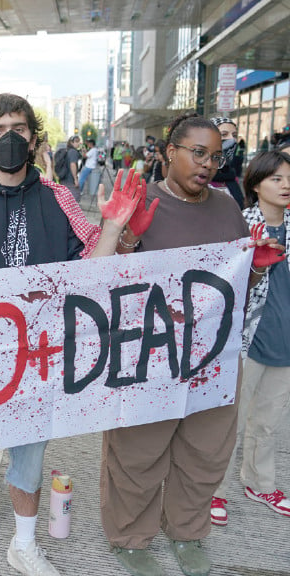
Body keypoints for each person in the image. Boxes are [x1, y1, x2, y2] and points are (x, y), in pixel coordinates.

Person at [0, 93, 147, 576]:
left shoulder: (58, 199)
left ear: (34, 138)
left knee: (29, 458)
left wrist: (112, 229)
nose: (9, 139)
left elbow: (89, 276)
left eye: (19, 129)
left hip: (36, 356)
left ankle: (23, 545)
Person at [103, 113, 285, 576]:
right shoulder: (140, 200)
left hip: (213, 356)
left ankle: (187, 531)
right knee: (138, 454)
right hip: (150, 357)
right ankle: (130, 537)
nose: (207, 164)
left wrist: (258, 267)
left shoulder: (226, 208)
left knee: (204, 452)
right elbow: (102, 282)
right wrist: (126, 237)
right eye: (197, 153)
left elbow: (234, 289)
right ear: (169, 153)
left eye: (216, 155)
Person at [210, 150, 290, 526]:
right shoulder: (242, 224)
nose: (286, 185)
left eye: (289, 178)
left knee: (270, 420)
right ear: (256, 184)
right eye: (277, 178)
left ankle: (261, 482)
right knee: (232, 421)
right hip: (246, 338)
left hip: (285, 341)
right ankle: (215, 490)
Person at [210, 116, 245, 208]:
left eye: (234, 135)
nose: (232, 140)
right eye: (224, 134)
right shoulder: (197, 179)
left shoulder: (231, 177)